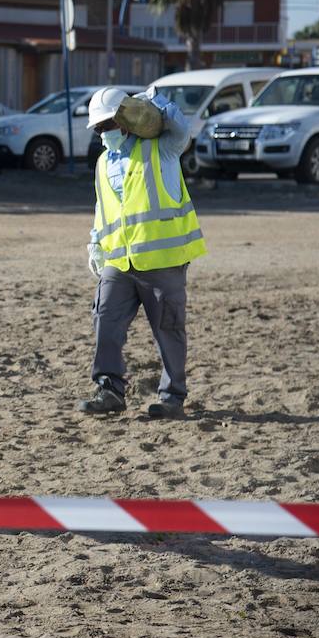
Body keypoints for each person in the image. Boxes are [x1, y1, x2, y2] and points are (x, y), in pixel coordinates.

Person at [79, 86, 206, 419]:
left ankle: (172, 397)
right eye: (97, 129)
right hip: (119, 261)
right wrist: (95, 242)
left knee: (169, 328)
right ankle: (110, 390)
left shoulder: (161, 149)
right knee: (105, 319)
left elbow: (182, 131)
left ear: (125, 121)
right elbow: (103, 207)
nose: (102, 134)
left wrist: (156, 103)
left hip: (162, 261)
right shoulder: (104, 162)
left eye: (106, 126)